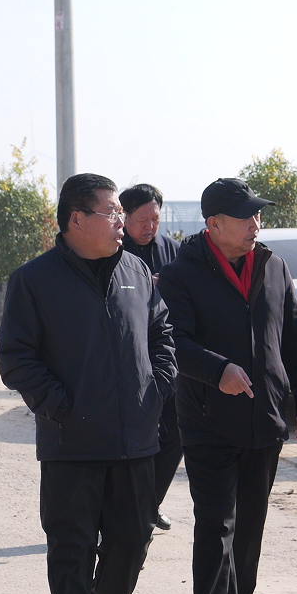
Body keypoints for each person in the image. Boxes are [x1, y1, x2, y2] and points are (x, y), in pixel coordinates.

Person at [0, 173, 175, 594]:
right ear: (77, 219)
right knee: (71, 548)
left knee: (131, 539)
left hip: (135, 439)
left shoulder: (136, 272)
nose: (122, 221)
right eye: (112, 212)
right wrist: (61, 407)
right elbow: (17, 358)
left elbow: (162, 334)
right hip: (70, 443)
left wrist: (156, 389)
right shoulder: (35, 280)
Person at [156, 178, 297, 594]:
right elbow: (172, 340)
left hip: (266, 417)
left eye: (258, 215)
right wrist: (218, 371)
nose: (255, 224)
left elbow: (294, 339)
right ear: (213, 224)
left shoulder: (273, 266)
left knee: (251, 522)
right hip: (208, 419)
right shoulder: (181, 275)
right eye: (245, 217)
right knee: (217, 520)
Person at [119, 183, 182, 531]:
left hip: (164, 353)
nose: (150, 227)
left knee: (175, 433)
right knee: (133, 438)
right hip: (126, 357)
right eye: (142, 220)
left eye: (155, 219)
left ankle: (149, 504)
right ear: (124, 217)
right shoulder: (111, 250)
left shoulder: (172, 249)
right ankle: (125, 510)